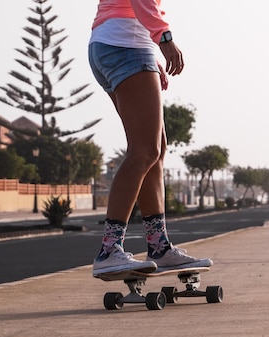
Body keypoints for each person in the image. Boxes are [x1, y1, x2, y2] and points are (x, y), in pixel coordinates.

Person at [89, 0, 212, 277]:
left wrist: (152, 56)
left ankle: (159, 246)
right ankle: (109, 250)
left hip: (120, 42)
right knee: (144, 151)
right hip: (125, 43)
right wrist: (164, 38)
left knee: (155, 152)